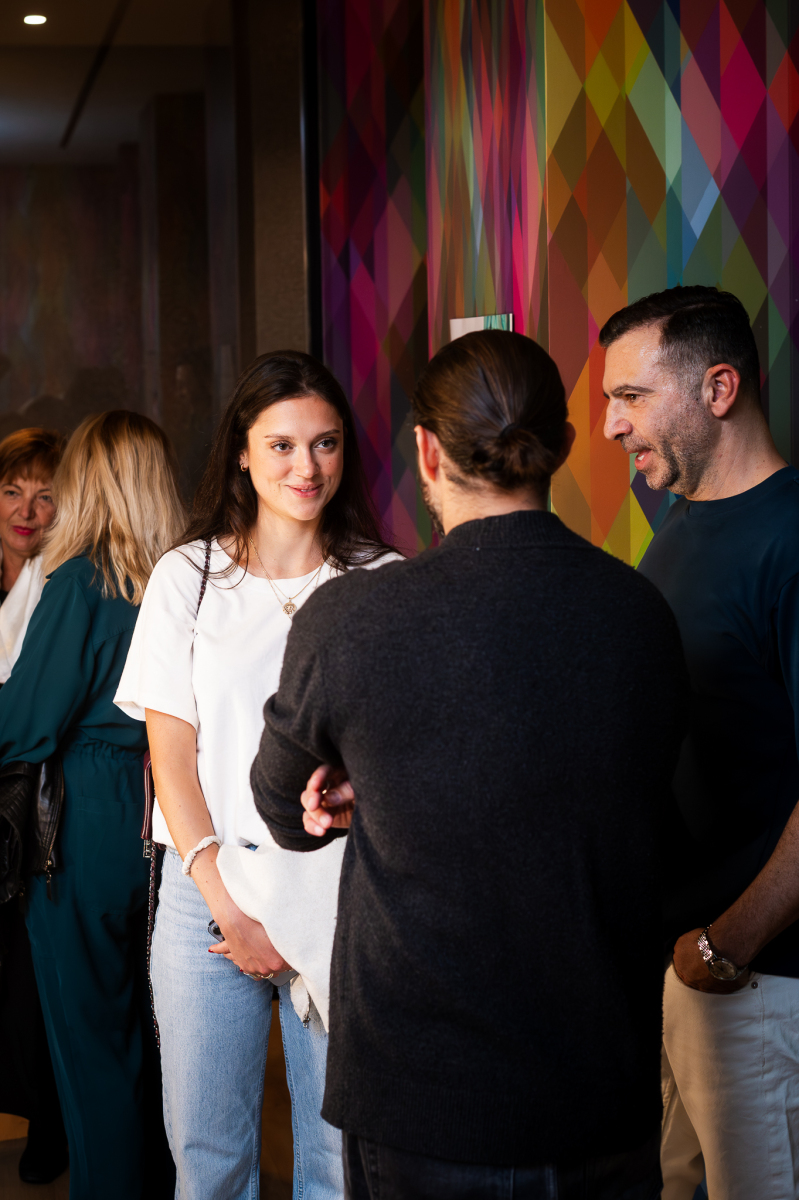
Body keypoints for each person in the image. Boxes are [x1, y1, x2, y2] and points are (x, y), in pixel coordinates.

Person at [250, 330, 687, 1200]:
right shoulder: (639, 613)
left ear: (426, 451)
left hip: (421, 1095)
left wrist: (366, 782)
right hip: (599, 1085)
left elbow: (281, 811)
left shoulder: (350, 618)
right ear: (561, 444)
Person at [114, 350, 399, 1200]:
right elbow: (171, 757)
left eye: (324, 443)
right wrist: (229, 905)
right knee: (210, 1163)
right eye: (280, 445)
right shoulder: (188, 577)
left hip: (340, 896)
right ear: (241, 452)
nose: (305, 467)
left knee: (337, 1166)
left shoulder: (381, 580)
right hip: (207, 891)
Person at [601, 284, 799, 1200]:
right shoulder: (681, 522)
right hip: (687, 971)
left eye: (631, 397)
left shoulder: (789, 540)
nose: (612, 424)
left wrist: (727, 946)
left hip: (759, 982)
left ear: (718, 389)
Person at [0, 411, 183, 1200]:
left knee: (90, 1043)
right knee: (155, 1034)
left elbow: (25, 724)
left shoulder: (80, 580)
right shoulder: (187, 575)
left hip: (85, 815)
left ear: (89, 479)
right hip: (168, 811)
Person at [0, 427, 69, 1186]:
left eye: (44, 495)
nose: (26, 509)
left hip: (43, 814)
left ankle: (51, 1123)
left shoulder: (67, 587)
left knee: (35, 981)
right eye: (12, 490)